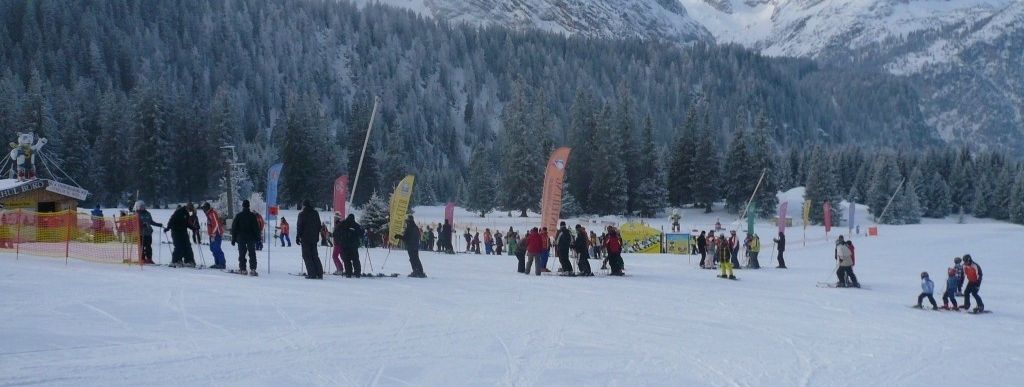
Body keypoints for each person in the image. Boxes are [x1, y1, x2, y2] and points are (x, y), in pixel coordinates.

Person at [230, 200, 260, 276]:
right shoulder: (252, 216)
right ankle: (253, 270)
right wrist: (258, 238)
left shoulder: (239, 215)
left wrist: (233, 239)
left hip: (241, 237)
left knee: (242, 253)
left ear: (243, 206)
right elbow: (256, 228)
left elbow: (234, 228)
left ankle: (243, 269)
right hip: (251, 237)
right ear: (249, 206)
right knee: (252, 253)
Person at [295, 201, 323, 279]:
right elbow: (319, 225)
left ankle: (312, 274)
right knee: (315, 255)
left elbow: (299, 227)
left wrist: (298, 237)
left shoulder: (302, 214)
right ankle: (319, 273)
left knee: (307, 256)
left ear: (304, 205)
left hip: (305, 238)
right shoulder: (315, 213)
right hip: (314, 238)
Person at [165, 203, 196, 268]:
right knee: (179, 246)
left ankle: (189, 261)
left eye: (191, 210)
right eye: (189, 210)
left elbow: (187, 222)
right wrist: (168, 227)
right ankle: (175, 261)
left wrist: (193, 228)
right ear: (187, 208)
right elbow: (172, 219)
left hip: (183, 231)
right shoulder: (179, 211)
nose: (190, 211)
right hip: (176, 232)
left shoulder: (189, 212)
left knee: (187, 246)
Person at [201, 202, 226, 269]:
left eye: (204, 208)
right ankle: (217, 263)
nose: (203, 210)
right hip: (212, 234)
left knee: (216, 248)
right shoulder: (208, 214)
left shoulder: (212, 213)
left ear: (206, 208)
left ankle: (222, 263)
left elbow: (216, 224)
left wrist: (213, 233)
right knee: (212, 248)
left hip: (216, 234)